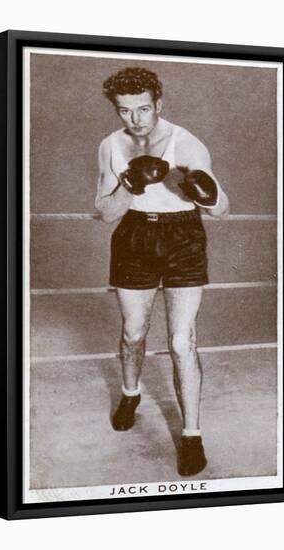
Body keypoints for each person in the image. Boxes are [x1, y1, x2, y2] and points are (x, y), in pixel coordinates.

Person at [95, 67, 229, 476]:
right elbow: (104, 213)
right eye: (124, 111)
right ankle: (130, 392)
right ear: (116, 111)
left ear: (158, 104)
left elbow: (221, 208)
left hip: (183, 237)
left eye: (143, 109)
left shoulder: (185, 143)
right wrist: (128, 185)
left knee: (181, 341)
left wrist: (200, 191)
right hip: (134, 235)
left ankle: (192, 436)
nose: (135, 120)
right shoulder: (111, 146)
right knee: (133, 332)